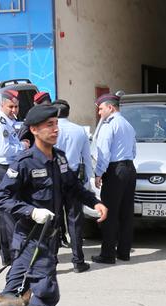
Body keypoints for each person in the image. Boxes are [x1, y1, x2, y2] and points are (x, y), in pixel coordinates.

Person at [0, 105, 108, 306]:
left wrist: (95, 202)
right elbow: (0, 197)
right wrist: (31, 211)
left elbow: (73, 186)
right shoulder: (24, 162)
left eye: (56, 124)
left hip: (50, 239)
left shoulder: (59, 158)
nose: (56, 129)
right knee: (37, 294)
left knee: (32, 294)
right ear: (34, 130)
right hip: (30, 238)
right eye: (49, 125)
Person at [92, 93, 137, 264]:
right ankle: (124, 252)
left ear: (110, 108)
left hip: (115, 170)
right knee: (126, 212)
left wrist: (99, 173)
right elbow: (134, 151)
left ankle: (108, 254)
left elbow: (103, 153)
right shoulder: (128, 124)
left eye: (101, 109)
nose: (99, 113)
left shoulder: (108, 125)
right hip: (130, 168)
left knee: (108, 213)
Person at [0, 90, 30, 268]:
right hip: (5, 169)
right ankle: (15, 258)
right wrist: (23, 146)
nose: (14, 110)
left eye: (16, 106)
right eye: (10, 106)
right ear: (2, 105)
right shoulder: (0, 125)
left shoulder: (10, 122)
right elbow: (6, 150)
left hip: (10, 169)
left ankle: (8, 255)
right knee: (10, 214)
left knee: (6, 214)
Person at [53, 99, 94, 272]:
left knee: (53, 219)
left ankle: (52, 261)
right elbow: (87, 157)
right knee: (75, 220)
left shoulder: (51, 129)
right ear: (68, 113)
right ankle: (78, 261)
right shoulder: (79, 130)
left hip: (54, 176)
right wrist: (88, 180)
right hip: (73, 176)